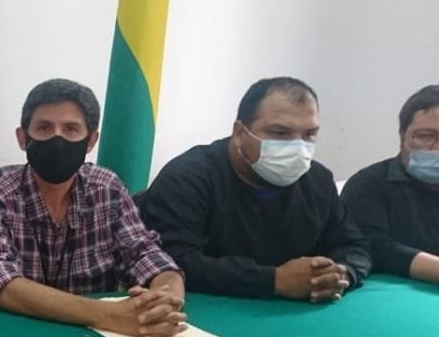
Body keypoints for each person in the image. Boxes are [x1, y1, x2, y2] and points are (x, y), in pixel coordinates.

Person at [0, 78, 187, 337]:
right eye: (44, 128)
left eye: (71, 129)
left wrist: (164, 300)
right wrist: (109, 315)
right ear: (22, 138)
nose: (58, 139)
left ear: (91, 141)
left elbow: (144, 254)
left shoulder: (107, 188)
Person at [140, 76, 370, 301]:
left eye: (309, 134)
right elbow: (172, 261)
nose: (298, 147)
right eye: (280, 133)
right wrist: (273, 280)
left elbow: (353, 246)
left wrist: (341, 274)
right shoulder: (188, 177)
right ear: (240, 133)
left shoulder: (318, 180)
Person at [341, 85, 439, 292]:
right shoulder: (368, 185)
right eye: (425, 136)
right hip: (389, 299)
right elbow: (372, 248)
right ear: (403, 136)